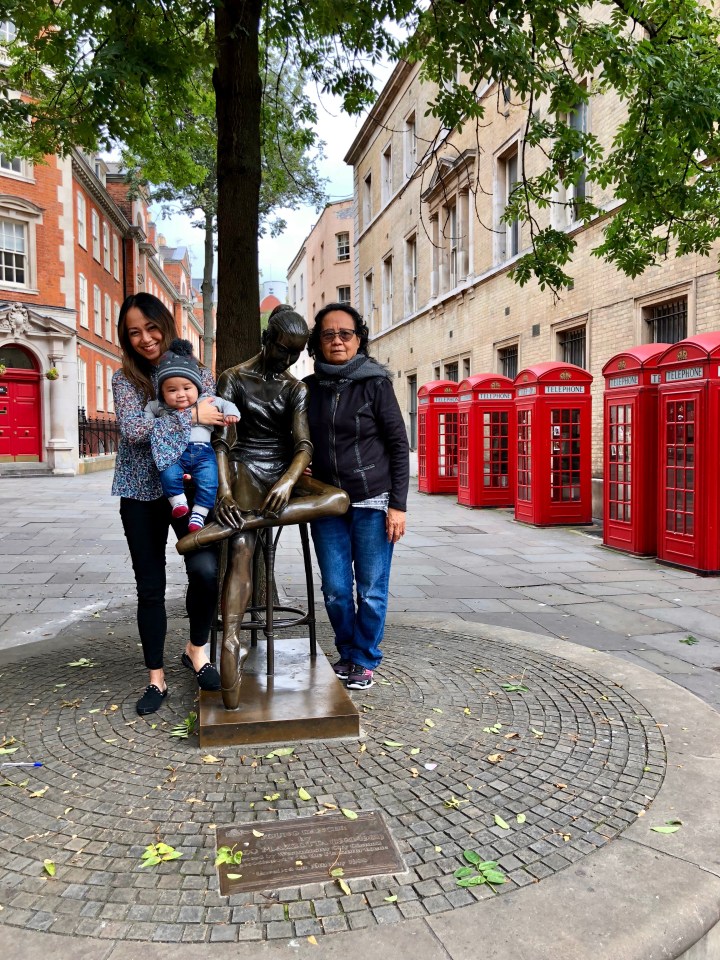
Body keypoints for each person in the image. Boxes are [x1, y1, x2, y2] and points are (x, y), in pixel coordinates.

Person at [176, 305, 349, 709]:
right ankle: (231, 640)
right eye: (284, 350)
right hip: (245, 469)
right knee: (241, 549)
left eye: (297, 353)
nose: (289, 360)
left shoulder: (295, 389)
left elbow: (304, 446)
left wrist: (288, 481)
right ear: (267, 340)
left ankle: (239, 524)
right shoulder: (234, 378)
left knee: (338, 500)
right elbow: (221, 442)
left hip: (285, 472)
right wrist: (224, 493)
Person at [112, 293, 225, 716]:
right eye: (134, 332)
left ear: (165, 325)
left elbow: (218, 421)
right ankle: (155, 677)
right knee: (150, 585)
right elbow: (134, 432)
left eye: (151, 328)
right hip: (140, 491)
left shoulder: (199, 372)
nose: (145, 338)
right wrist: (190, 417)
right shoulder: (125, 380)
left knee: (206, 571)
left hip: (192, 491)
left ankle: (196, 649)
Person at [304, 303, 409, 690]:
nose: (337, 341)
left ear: (358, 339)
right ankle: (347, 652)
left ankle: (364, 658)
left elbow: (398, 445)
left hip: (373, 500)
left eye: (345, 334)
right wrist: (304, 462)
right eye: (328, 334)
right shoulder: (309, 389)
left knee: (371, 589)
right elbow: (298, 438)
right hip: (326, 502)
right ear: (318, 342)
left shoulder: (376, 384)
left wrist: (398, 505)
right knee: (334, 590)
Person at [144, 338, 240, 532]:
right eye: (172, 390)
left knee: (209, 481)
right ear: (162, 393)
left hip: (203, 453)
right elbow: (146, 420)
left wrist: (231, 414)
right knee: (168, 473)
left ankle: (199, 513)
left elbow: (226, 404)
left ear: (197, 387)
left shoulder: (207, 401)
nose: (180, 394)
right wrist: (150, 421)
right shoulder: (160, 406)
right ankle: (178, 502)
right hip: (174, 453)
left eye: (187, 388)